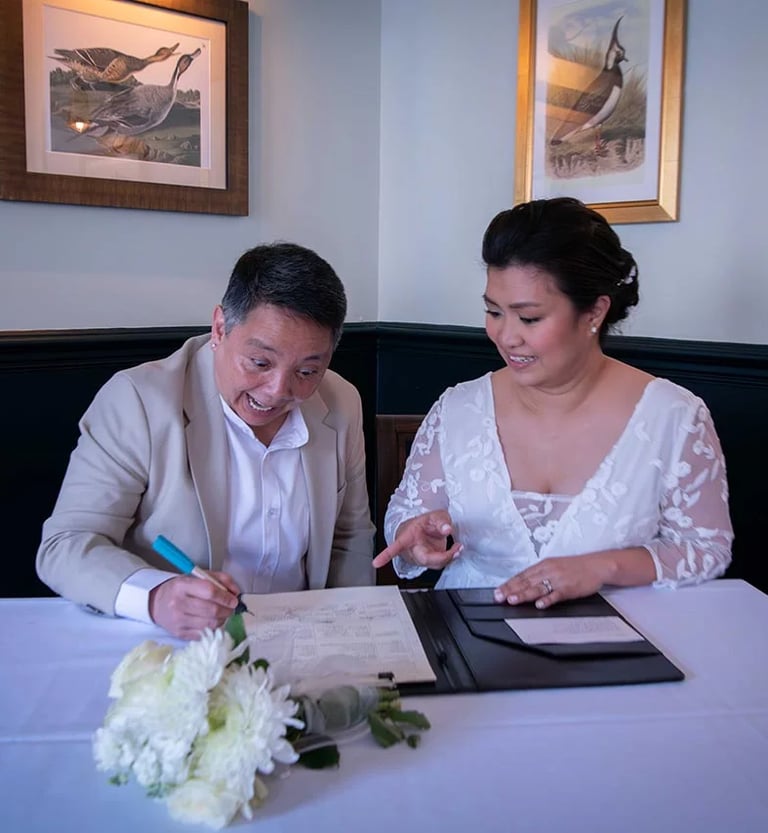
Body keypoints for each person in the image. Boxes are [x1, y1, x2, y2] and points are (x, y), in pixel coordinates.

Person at [373, 197, 733, 607]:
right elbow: (406, 514)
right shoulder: (459, 409)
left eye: (529, 318)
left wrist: (601, 567)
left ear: (595, 311)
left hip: (619, 642)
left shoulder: (673, 416)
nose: (507, 337)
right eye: (493, 311)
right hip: (468, 641)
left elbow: (705, 549)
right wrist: (417, 536)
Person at [38, 242, 375, 638]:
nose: (277, 390)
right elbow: (66, 545)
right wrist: (156, 596)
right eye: (260, 363)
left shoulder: (341, 402)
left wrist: (353, 635)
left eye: (306, 371)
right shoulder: (138, 401)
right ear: (220, 328)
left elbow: (349, 536)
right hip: (175, 643)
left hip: (303, 637)